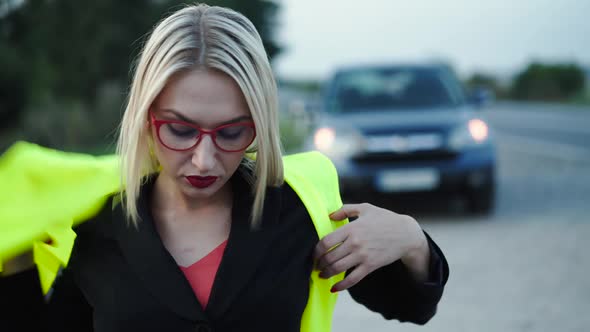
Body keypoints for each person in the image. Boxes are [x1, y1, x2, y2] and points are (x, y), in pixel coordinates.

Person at [0, 3, 448, 331]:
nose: (204, 159)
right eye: (179, 130)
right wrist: (15, 261)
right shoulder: (97, 223)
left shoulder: (301, 211)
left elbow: (411, 307)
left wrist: (411, 239)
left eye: (232, 132)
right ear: (145, 116)